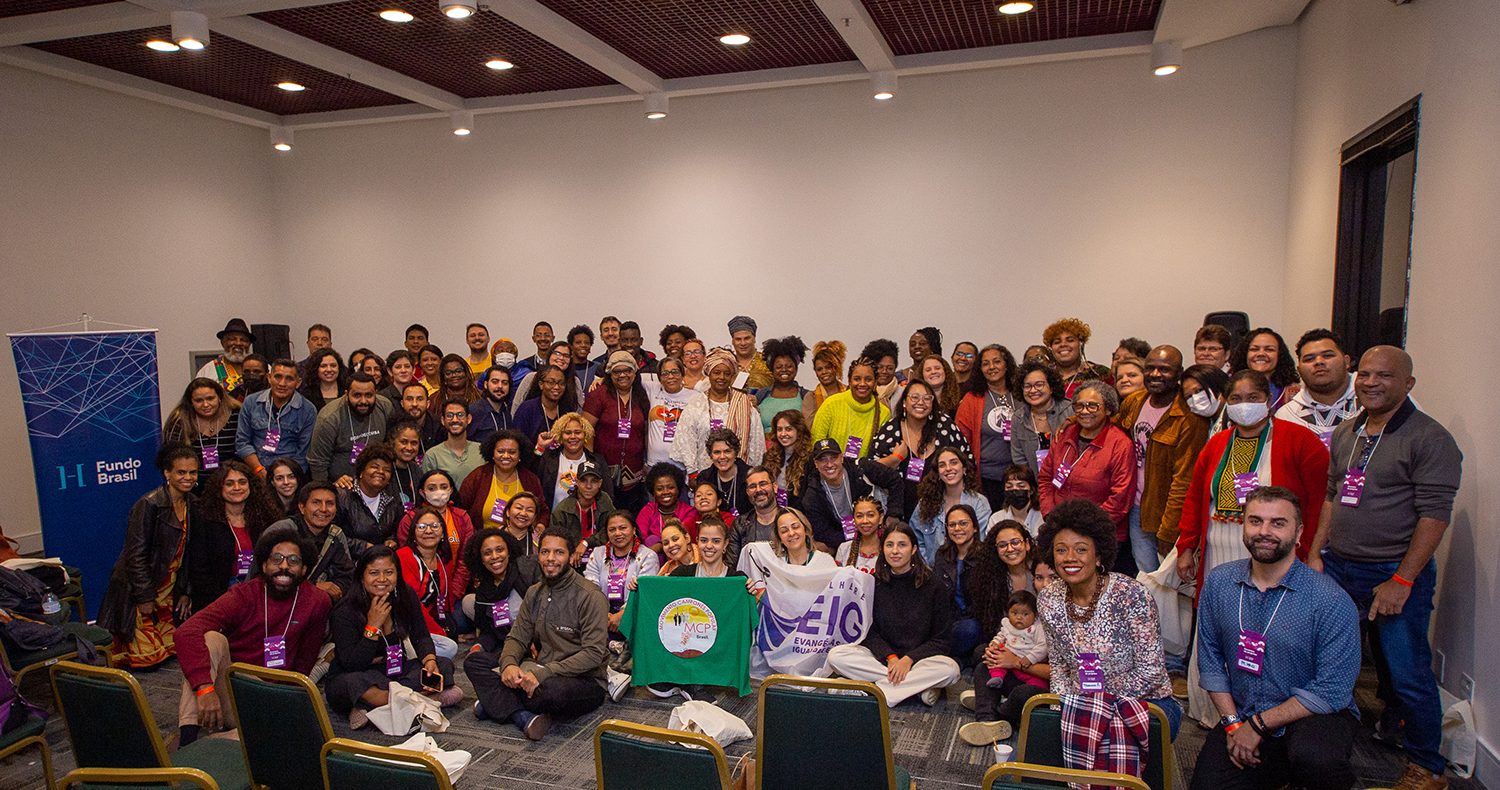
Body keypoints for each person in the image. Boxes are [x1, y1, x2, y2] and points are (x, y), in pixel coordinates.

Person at [1306, 346, 1462, 790]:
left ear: (1409, 383)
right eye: (1366, 374)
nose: (1371, 382)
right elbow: (1334, 496)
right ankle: (1325, 749)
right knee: (1325, 660)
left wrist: (1403, 579)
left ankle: (1426, 767)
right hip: (1339, 566)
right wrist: (1317, 552)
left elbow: (1435, 515)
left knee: (1406, 672)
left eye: (1385, 376)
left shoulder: (1430, 439)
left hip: (1392, 571)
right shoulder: (1349, 432)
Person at [1189, 486, 1360, 790]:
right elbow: (1212, 663)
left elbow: (1332, 690)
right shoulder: (1219, 583)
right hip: (1243, 712)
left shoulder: (1329, 599)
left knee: (1315, 759)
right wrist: (1233, 725)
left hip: (1312, 717)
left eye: (1278, 523)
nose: (1264, 531)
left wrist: (1258, 725)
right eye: (1255, 521)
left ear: (1299, 532)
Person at [174, 524, 333, 745]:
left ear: (305, 569)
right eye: (276, 559)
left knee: (279, 735)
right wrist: (204, 688)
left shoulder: (317, 601)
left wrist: (287, 709)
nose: (284, 566)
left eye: (293, 561)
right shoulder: (243, 595)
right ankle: (188, 740)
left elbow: (303, 666)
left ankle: (223, 741)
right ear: (264, 565)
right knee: (212, 639)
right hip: (234, 687)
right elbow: (186, 632)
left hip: (273, 696)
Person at [1036, 499, 1180, 739]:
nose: (1070, 557)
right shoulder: (1048, 599)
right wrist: (1058, 712)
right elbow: (1060, 667)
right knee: (1040, 743)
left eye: (1081, 549)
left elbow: (1151, 672)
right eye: (1061, 550)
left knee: (1100, 749)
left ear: (1099, 555)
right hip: (1080, 704)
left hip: (1145, 704)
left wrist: (1093, 702)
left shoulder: (1131, 595)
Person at [1176, 370, 1330, 594]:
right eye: (1236, 399)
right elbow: (1194, 498)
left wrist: (1309, 551)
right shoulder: (1216, 443)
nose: (1244, 405)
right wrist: (1186, 547)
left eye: (1253, 398)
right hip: (1217, 551)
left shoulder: (1301, 440)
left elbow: (1319, 503)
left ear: (1268, 400)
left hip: (1276, 552)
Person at [465, 528, 608, 740]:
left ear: (570, 556)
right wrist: (510, 664)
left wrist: (543, 673)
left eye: (559, 552)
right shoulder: (535, 592)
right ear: (538, 555)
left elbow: (593, 654)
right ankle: (521, 716)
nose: (550, 559)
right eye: (545, 552)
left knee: (552, 692)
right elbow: (517, 637)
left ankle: (495, 702)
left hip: (582, 680)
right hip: (538, 669)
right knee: (474, 662)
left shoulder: (590, 596)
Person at [825, 522, 960, 707]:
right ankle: (915, 689)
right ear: (883, 549)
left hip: (919, 661)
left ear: (913, 549)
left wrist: (908, 659)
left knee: (951, 670)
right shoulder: (873, 582)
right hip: (882, 660)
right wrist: (891, 657)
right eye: (889, 545)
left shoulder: (934, 585)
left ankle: (871, 691)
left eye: (902, 545)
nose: (895, 551)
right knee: (836, 656)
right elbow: (869, 633)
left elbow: (942, 640)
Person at [326, 546, 462, 727]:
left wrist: (430, 661)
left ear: (397, 574)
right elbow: (352, 664)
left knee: (444, 665)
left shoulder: (405, 595)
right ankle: (424, 700)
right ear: (362, 576)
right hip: (358, 674)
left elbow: (421, 636)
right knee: (352, 684)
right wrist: (372, 627)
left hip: (393, 671)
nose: (382, 579)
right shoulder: (345, 610)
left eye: (389, 572)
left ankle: (376, 708)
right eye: (374, 573)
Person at [98, 446, 201, 668]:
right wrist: (144, 596)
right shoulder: (148, 504)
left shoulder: (194, 504)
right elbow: (135, 554)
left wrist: (186, 591)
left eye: (192, 472)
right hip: (143, 587)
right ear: (167, 473)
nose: (188, 477)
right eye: (181, 472)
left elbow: (191, 553)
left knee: (173, 654)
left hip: (170, 587)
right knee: (148, 661)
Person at [1114, 345, 1209, 574]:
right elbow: (1111, 427)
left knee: (1171, 586)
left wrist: (1169, 530)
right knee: (1147, 579)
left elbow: (1184, 479)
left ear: (1179, 373)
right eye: (1151, 368)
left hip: (1165, 514)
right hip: (1137, 509)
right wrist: (1074, 420)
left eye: (1165, 369)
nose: (1156, 374)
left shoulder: (1188, 416)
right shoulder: (1135, 402)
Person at [958, 521, 1047, 744]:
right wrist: (997, 650)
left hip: (1035, 667)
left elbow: (1063, 671)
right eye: (1002, 545)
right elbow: (997, 627)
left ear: (1027, 544)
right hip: (1012, 646)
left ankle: (995, 708)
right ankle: (987, 718)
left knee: (1023, 695)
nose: (1010, 549)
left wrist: (1014, 661)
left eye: (1015, 542)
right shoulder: (993, 578)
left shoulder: (1041, 574)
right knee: (982, 662)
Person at [1038, 380, 1135, 573]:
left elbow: (1120, 498)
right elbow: (1046, 478)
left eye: (1092, 405)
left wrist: (1086, 530)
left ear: (1108, 409)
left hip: (1101, 536)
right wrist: (1052, 516)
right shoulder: (1065, 434)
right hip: (1061, 530)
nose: (1084, 411)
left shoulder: (1120, 444)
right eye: (1079, 406)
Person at [177, 461, 279, 616]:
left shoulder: (265, 517)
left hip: (261, 594)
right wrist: (225, 602)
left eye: (242, 482)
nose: (237, 488)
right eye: (229, 483)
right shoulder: (205, 520)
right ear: (220, 488)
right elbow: (199, 569)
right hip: (218, 599)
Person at [864, 380, 971, 522]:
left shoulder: (945, 426)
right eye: (914, 397)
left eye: (927, 398)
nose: (921, 402)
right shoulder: (891, 430)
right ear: (904, 402)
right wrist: (895, 458)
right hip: (899, 512)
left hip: (943, 512)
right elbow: (869, 470)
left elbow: (967, 462)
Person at [671, 349, 764, 471]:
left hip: (739, 476)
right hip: (704, 475)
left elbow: (756, 443)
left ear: (732, 376)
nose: (722, 377)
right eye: (716, 372)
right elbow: (686, 441)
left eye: (727, 373)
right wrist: (692, 472)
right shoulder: (696, 404)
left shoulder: (744, 404)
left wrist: (751, 472)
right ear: (709, 374)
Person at [396, 505, 466, 660]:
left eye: (435, 526)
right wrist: (438, 632)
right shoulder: (404, 556)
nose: (428, 531)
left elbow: (440, 600)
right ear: (413, 532)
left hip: (427, 620)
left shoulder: (442, 558)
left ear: (442, 533)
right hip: (405, 621)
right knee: (450, 648)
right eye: (421, 527)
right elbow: (412, 604)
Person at [583, 350, 650, 512]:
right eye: (617, 371)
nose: (622, 375)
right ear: (609, 374)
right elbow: (586, 430)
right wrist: (591, 463)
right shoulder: (598, 395)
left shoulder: (642, 395)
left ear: (634, 373)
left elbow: (646, 431)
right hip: (604, 471)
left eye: (627, 370)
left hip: (635, 473)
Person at [954, 344, 1019, 509]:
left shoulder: (1021, 395)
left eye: (997, 362)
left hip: (1018, 478)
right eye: (985, 364)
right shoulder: (972, 399)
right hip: (985, 479)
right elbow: (961, 441)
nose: (991, 367)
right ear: (980, 369)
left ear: (1006, 365)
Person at [269, 481, 356, 603]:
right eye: (316, 503)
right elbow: (266, 577)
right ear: (302, 507)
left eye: (330, 503)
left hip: (316, 604)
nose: (324, 509)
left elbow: (346, 576)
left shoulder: (335, 534)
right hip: (276, 602)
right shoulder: (282, 531)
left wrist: (334, 589)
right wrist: (312, 587)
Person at [1275, 329, 1360, 448]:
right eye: (1309, 359)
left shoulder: (1370, 401)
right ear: (1299, 370)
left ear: (1346, 362)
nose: (1319, 362)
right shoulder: (1286, 417)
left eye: (1327, 355)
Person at [461, 528, 538, 656]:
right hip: (508, 645)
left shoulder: (526, 572)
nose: (495, 556)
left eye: (499, 550)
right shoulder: (484, 590)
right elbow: (490, 632)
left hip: (537, 642)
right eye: (487, 553)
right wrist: (478, 646)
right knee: (473, 663)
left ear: (509, 552)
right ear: (481, 559)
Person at [307, 372, 392, 485]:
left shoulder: (385, 407)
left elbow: (390, 447)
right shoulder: (329, 418)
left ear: (375, 393)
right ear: (346, 394)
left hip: (376, 479)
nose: (363, 401)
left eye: (369, 395)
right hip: (341, 483)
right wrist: (328, 488)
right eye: (357, 395)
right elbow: (318, 462)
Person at [583, 512, 659, 637]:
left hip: (634, 616)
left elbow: (643, 593)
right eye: (612, 529)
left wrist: (621, 616)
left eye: (623, 528)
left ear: (634, 529)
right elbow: (591, 588)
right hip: (601, 615)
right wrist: (604, 615)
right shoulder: (598, 554)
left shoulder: (648, 556)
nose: (617, 533)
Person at [236, 358, 318, 474]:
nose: (282, 383)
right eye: (278, 377)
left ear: (298, 383)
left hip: (290, 474)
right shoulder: (251, 403)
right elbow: (242, 443)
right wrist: (259, 471)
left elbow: (304, 452)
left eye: (289, 379)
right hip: (256, 470)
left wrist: (286, 477)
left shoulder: (308, 410)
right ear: (269, 378)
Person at [912, 447, 992, 564]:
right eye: (942, 465)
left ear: (964, 468)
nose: (948, 468)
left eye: (953, 463)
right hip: (932, 573)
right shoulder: (925, 503)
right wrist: (927, 568)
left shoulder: (979, 502)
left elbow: (981, 541)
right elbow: (916, 538)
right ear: (938, 473)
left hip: (970, 569)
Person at [163, 378, 241, 494]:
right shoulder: (180, 420)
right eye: (199, 400)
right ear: (191, 402)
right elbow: (171, 458)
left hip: (233, 485)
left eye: (210, 398)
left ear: (219, 398)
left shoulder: (237, 414)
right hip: (194, 487)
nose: (205, 404)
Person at [931, 503, 988, 661]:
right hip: (949, 620)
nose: (957, 529)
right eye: (952, 525)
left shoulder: (986, 555)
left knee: (970, 629)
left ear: (975, 527)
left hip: (975, 621)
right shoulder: (942, 554)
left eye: (963, 523)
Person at [457, 430, 547, 529]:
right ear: (492, 453)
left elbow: (542, 511)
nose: (506, 456)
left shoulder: (530, 479)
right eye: (500, 451)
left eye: (512, 452)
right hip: (483, 540)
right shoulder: (478, 476)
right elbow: (460, 511)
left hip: (520, 540)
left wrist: (540, 525)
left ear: (520, 455)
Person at [801, 438, 879, 552]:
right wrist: (855, 542)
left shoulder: (859, 469)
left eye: (834, 458)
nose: (829, 464)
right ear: (816, 464)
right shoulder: (811, 496)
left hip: (873, 528)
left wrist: (893, 514)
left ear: (841, 458)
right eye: (823, 460)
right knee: (820, 547)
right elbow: (823, 531)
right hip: (841, 540)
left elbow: (894, 479)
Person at [739, 508, 837, 594]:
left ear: (805, 530)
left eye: (795, 527)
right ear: (779, 538)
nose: (791, 533)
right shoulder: (775, 567)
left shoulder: (825, 562)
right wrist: (751, 588)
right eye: (784, 530)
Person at [809, 356, 890, 460]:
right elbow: (817, 443)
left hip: (865, 473)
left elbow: (880, 454)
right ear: (849, 381)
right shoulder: (831, 404)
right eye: (857, 379)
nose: (862, 384)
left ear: (875, 382)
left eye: (868, 379)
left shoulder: (883, 413)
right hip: (829, 470)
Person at [1010, 360, 1073, 475]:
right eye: (1027, 386)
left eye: (1039, 385)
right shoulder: (1018, 418)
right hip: (1036, 485)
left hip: (1070, 484)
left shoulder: (1070, 410)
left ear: (1051, 387)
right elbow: (1019, 460)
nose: (1033, 390)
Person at [533, 413, 607, 510]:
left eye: (577, 432)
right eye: (567, 433)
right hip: (552, 520)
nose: (573, 437)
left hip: (586, 521)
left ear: (585, 434)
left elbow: (607, 494)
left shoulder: (597, 461)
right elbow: (532, 473)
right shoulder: (548, 458)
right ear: (560, 435)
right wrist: (540, 447)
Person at [336, 444, 402, 551]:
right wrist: (363, 547)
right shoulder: (342, 496)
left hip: (380, 561)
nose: (380, 472)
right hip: (347, 563)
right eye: (374, 467)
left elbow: (393, 532)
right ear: (361, 472)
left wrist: (392, 540)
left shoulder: (392, 501)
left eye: (387, 470)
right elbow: (332, 535)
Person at [982, 591, 1047, 693]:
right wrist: (995, 643)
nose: (1019, 617)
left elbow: (1043, 647)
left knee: (1038, 683)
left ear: (1035, 615)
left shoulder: (1037, 628)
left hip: (1026, 662)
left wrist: (1030, 658)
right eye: (1014, 613)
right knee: (991, 661)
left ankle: (1034, 697)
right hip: (1007, 655)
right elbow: (1002, 635)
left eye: (1025, 614)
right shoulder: (1008, 625)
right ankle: (997, 678)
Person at [396, 470, 476, 553]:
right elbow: (405, 552)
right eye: (431, 488)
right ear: (422, 493)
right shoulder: (410, 519)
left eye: (444, 487)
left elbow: (465, 553)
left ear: (451, 490)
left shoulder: (462, 517)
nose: (439, 492)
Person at [549, 460, 617, 549]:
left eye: (594, 481)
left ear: (600, 483)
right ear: (577, 482)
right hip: (571, 557)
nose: (588, 486)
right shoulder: (562, 510)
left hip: (600, 555)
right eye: (583, 481)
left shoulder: (604, 500)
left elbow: (613, 527)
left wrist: (586, 543)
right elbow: (555, 541)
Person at [641, 356, 694, 465]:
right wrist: (603, 378)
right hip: (654, 463)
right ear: (659, 377)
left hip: (683, 465)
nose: (670, 376)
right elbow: (629, 378)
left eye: (675, 372)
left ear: (682, 374)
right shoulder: (653, 389)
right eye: (665, 373)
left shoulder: (695, 396)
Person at [1230, 328, 1299, 412]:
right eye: (1254, 349)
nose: (1261, 354)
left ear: (1280, 355)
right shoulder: (1230, 387)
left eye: (1269, 349)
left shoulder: (1293, 392)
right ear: (1245, 354)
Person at [725, 466, 780, 570]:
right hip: (751, 583)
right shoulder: (740, 524)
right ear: (747, 492)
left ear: (775, 487)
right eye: (752, 486)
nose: (758, 490)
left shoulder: (791, 520)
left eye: (763, 484)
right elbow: (731, 566)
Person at [513, 364, 580, 447]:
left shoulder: (567, 410)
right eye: (551, 382)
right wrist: (540, 449)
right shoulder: (527, 409)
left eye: (561, 383)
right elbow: (518, 446)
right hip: (533, 458)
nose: (556, 387)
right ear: (541, 385)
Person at [1043, 317, 1111, 397]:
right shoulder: (1044, 376)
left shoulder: (1099, 373)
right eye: (1057, 342)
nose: (1063, 344)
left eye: (1070, 340)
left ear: (1080, 344)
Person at [421, 401, 483, 483]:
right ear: (443, 420)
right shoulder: (432, 456)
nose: (455, 420)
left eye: (460, 415)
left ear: (468, 419)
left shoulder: (481, 451)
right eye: (449, 415)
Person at [637, 462, 697, 546]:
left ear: (678, 489)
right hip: (652, 556)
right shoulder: (648, 510)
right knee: (651, 540)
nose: (665, 492)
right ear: (653, 492)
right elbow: (639, 539)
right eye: (659, 489)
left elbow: (684, 539)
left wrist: (659, 547)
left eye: (671, 487)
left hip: (681, 554)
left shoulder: (689, 512)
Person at [757, 336, 809, 432]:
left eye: (789, 366)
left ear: (796, 368)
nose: (784, 370)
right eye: (779, 367)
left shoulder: (806, 396)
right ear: (772, 369)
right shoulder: (761, 396)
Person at [196, 318, 255, 402]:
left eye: (243, 340)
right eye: (232, 339)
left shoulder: (262, 368)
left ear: (249, 344)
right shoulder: (208, 371)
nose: (238, 343)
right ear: (223, 342)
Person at [763, 409, 812, 505]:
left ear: (799, 431)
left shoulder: (809, 459)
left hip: (798, 512)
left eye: (788, 429)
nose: (783, 434)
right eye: (779, 429)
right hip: (772, 510)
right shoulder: (769, 456)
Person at [669, 517, 743, 578]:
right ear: (697, 541)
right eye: (704, 540)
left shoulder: (737, 578)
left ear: (725, 544)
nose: (709, 546)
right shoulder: (681, 574)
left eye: (716, 541)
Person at [513, 343, 581, 407]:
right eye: (557, 353)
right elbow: (517, 404)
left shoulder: (574, 381)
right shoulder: (531, 377)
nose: (561, 358)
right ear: (549, 355)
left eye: (566, 355)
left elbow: (579, 408)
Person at [988, 464, 1043, 537]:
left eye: (1021, 486)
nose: (1015, 490)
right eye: (1009, 486)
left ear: (1032, 490)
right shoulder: (996, 519)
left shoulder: (1043, 518)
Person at [835, 496, 885, 573]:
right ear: (854, 520)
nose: (865, 521)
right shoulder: (844, 549)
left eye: (870, 515)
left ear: (881, 518)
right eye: (859, 516)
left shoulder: (888, 549)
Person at [801, 340, 846, 422]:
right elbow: (811, 427)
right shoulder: (811, 398)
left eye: (828, 367)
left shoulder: (849, 392)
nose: (824, 372)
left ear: (835, 367)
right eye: (819, 369)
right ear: (815, 372)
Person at [467, 364, 514, 443]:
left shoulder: (506, 412)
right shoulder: (474, 411)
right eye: (495, 382)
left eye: (505, 383)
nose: (500, 386)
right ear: (486, 384)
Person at [384, 420, 424, 510]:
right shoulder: (384, 469)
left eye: (414, 443)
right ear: (392, 442)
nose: (409, 448)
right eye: (404, 442)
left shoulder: (417, 470)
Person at [1182, 363, 1232, 430]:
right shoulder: (1208, 424)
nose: (1195, 399)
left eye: (1199, 390)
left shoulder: (1234, 417)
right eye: (1189, 396)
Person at [727, 315, 772, 389]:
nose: (743, 343)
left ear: (754, 339)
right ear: (733, 341)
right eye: (738, 339)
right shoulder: (728, 364)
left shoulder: (767, 361)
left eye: (747, 338)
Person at [429, 353, 478, 419]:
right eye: (448, 373)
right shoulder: (434, 400)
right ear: (443, 378)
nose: (454, 375)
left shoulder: (478, 396)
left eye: (459, 371)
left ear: (466, 374)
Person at [299, 348, 348, 413]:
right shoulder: (306, 394)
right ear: (315, 369)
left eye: (333, 366)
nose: (329, 369)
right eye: (323, 366)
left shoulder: (347, 390)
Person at [860, 339, 904, 411]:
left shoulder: (903, 394)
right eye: (880, 367)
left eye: (890, 368)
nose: (884, 371)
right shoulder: (862, 390)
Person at [499, 492, 544, 558]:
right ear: (508, 512)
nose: (523, 513)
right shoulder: (494, 536)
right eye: (519, 508)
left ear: (534, 517)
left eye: (530, 510)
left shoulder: (540, 540)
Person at [564, 324, 600, 394]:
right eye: (578, 342)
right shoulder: (565, 367)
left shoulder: (598, 368)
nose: (583, 345)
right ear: (571, 346)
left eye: (587, 343)